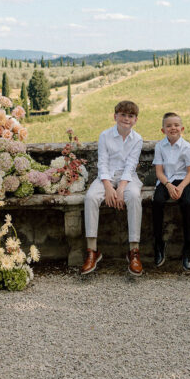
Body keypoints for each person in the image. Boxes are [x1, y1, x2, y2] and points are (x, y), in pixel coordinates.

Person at [81, 100, 144, 277]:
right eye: (123, 115)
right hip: (106, 177)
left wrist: (121, 189)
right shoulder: (105, 135)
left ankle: (134, 251)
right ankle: (92, 251)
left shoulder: (137, 139)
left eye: (130, 116)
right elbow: (102, 163)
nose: (126, 119)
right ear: (115, 116)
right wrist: (108, 187)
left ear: (135, 120)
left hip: (128, 178)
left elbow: (131, 165)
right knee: (91, 197)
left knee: (134, 196)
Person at [152, 112, 190, 271]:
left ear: (182, 128)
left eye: (176, 125)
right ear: (163, 130)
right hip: (165, 181)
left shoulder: (187, 147)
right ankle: (159, 244)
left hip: (183, 181)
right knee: (157, 201)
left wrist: (181, 187)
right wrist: (169, 185)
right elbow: (159, 172)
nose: (173, 128)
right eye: (169, 125)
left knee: (187, 203)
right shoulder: (159, 146)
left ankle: (188, 247)